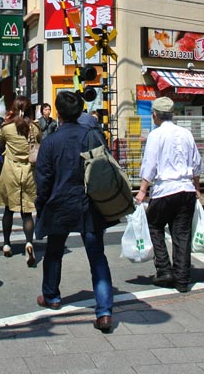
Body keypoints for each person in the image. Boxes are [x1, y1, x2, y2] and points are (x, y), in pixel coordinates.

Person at [35, 91, 115, 333]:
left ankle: (52, 295)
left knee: (54, 251)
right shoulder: (92, 136)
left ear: (58, 113)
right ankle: (104, 311)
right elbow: (107, 166)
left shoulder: (50, 142)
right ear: (80, 111)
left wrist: (41, 205)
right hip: (90, 203)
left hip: (59, 203)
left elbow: (44, 180)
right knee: (97, 256)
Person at [135, 96, 202, 293]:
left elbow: (150, 165)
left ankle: (164, 269)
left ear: (155, 115)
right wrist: (196, 187)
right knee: (182, 234)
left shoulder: (156, 135)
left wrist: (142, 191)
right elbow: (196, 163)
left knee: (153, 224)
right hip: (186, 189)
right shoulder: (186, 133)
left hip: (165, 189)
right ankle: (182, 279)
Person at [0, 97, 42, 266]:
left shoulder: (6, 128)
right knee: (27, 212)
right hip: (28, 171)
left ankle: (7, 244)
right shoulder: (35, 128)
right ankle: (29, 242)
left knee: (9, 209)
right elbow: (40, 142)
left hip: (10, 171)